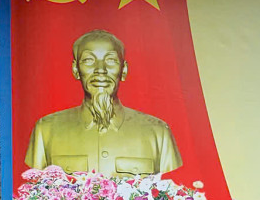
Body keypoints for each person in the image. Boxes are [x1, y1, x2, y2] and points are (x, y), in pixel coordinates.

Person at [24, 29, 182, 176]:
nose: (101, 69)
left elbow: (168, 197)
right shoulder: (46, 130)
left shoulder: (157, 132)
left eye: (111, 60)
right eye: (88, 60)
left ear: (124, 70)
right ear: (75, 70)